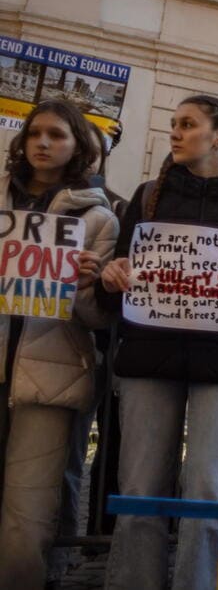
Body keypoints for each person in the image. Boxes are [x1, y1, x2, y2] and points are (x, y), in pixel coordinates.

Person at [98, 94, 218, 590]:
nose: (175, 132)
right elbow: (121, 274)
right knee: (141, 492)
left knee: (209, 494)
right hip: (148, 359)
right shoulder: (146, 198)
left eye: (187, 124)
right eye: (173, 124)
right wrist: (113, 274)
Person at [0, 100, 118, 589]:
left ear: (77, 148)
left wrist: (90, 286)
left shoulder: (97, 219)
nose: (43, 143)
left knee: (28, 511)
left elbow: (95, 319)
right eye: (35, 134)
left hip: (50, 376)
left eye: (56, 135)